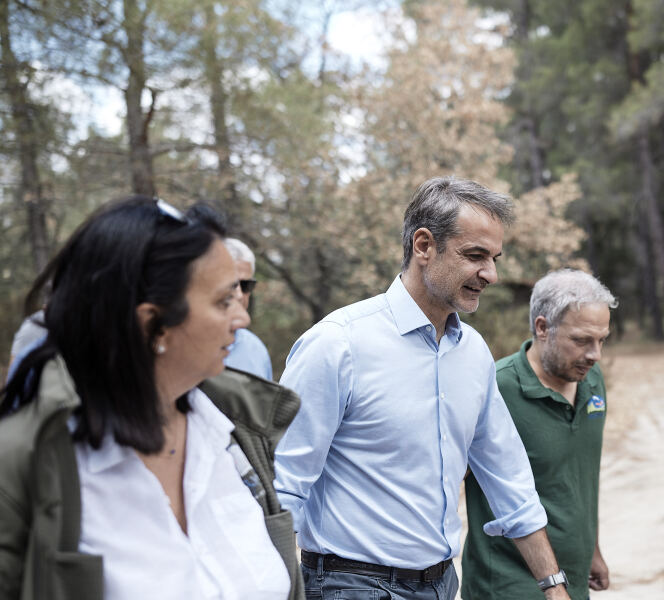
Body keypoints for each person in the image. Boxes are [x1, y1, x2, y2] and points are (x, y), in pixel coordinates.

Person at [274, 176, 571, 600]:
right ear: (424, 245)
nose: (491, 274)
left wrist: (553, 585)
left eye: (494, 258)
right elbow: (282, 485)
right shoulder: (337, 344)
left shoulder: (473, 352)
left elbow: (508, 475)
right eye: (475, 255)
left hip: (442, 584)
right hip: (349, 585)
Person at [0, 196, 303, 600]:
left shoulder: (237, 437)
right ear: (152, 324)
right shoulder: (28, 465)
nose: (242, 318)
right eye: (223, 301)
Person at [462, 269, 618, 600]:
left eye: (601, 340)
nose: (595, 355)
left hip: (573, 578)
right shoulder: (496, 388)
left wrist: (592, 550)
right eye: (581, 340)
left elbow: (581, 477)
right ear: (543, 327)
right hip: (506, 585)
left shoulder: (591, 380)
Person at [223, 237, 274, 380]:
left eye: (246, 285)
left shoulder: (255, 349)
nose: (239, 295)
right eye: (232, 285)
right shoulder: (185, 344)